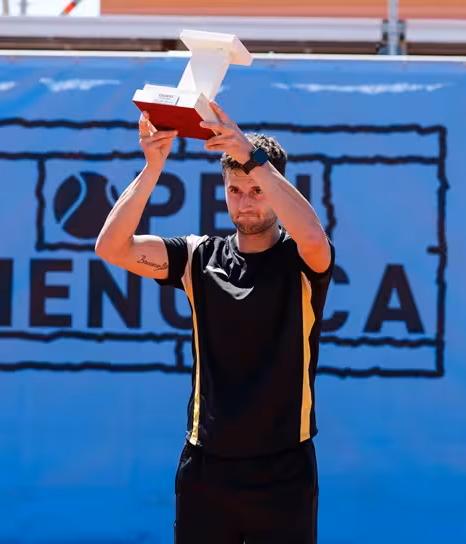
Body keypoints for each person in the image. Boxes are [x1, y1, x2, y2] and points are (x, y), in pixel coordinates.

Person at [95, 101, 335, 544]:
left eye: (257, 191)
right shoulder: (198, 257)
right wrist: (152, 168)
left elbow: (314, 236)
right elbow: (111, 247)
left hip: (284, 470)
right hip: (206, 468)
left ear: (274, 186)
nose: (245, 202)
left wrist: (253, 157)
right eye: (235, 190)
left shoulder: (303, 259)